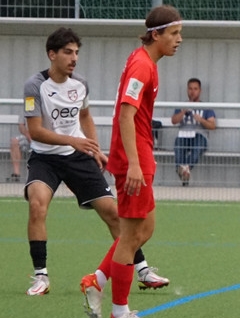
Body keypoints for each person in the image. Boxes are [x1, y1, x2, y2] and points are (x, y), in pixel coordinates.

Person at [21, 27, 170, 300]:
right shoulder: (34, 86)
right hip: (45, 158)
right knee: (36, 205)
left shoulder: (80, 84)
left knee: (113, 213)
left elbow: (85, 117)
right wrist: (74, 141)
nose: (74, 58)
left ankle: (142, 270)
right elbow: (36, 131)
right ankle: (41, 276)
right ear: (52, 54)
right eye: (68, 52)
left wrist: (95, 149)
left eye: (76, 52)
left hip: (78, 156)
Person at [80, 6, 183, 318]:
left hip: (140, 155)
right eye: (174, 33)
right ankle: (120, 314)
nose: (179, 39)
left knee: (144, 229)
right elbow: (126, 115)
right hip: (132, 159)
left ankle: (97, 280)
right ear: (156, 34)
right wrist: (135, 165)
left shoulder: (146, 62)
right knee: (129, 237)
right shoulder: (141, 65)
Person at [171, 77, 216, 185]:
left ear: (200, 91)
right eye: (190, 89)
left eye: (195, 89)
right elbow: (174, 121)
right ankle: (184, 172)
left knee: (198, 148)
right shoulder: (181, 106)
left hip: (199, 136)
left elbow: (212, 125)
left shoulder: (206, 107)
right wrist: (183, 112)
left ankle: (184, 170)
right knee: (178, 146)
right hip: (183, 135)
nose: (192, 91)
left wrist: (201, 120)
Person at [8, 117, 30, 182]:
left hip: (41, 136)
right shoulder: (25, 111)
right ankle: (16, 174)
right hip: (27, 137)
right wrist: (29, 137)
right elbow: (21, 126)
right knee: (14, 141)